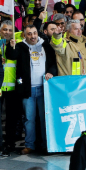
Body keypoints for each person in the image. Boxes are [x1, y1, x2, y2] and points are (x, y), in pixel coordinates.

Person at [10, 25, 56, 155]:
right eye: (29, 34)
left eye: (35, 33)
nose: (33, 36)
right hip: (27, 90)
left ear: (38, 33)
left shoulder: (46, 45)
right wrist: (10, 45)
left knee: (43, 118)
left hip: (43, 88)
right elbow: (12, 55)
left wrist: (50, 72)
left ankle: (45, 145)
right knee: (29, 119)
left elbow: (53, 63)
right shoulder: (20, 46)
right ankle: (30, 145)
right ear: (25, 35)